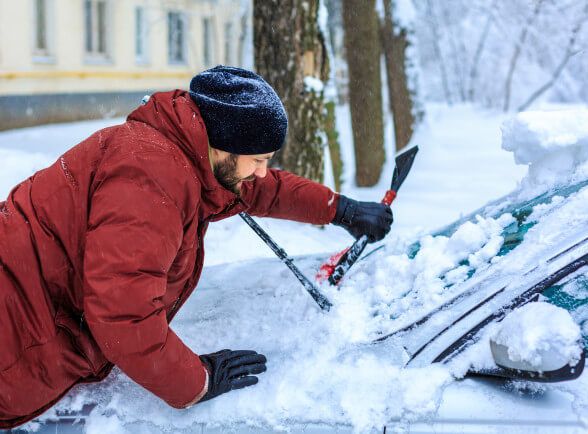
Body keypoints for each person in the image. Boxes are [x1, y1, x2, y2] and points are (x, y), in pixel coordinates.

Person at [0, 66, 393, 428]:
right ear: (223, 147)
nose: (261, 171)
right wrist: (198, 382)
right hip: (13, 338)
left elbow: (263, 188)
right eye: (258, 159)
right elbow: (123, 317)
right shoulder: (150, 181)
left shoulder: (186, 151)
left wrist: (341, 209)